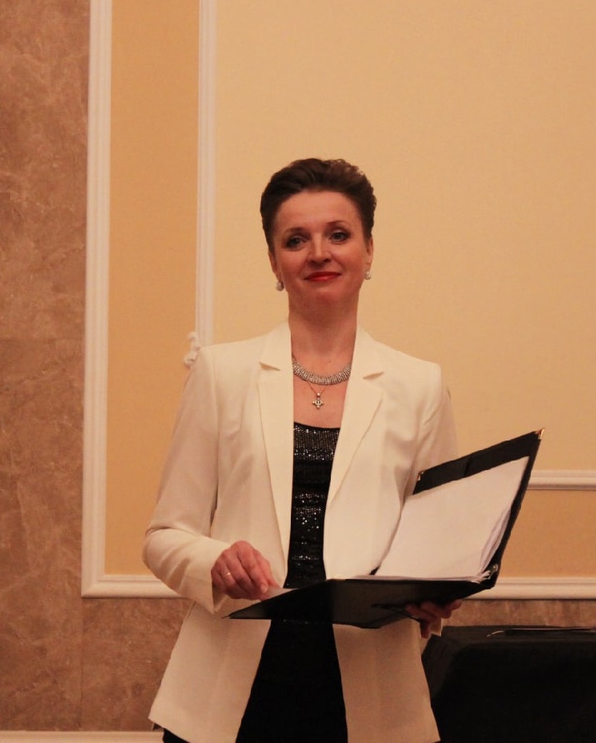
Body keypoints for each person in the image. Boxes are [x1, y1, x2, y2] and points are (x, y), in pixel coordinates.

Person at [143, 158, 461, 743]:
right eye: (296, 240)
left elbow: (440, 548)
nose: (319, 253)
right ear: (274, 262)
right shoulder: (220, 373)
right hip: (230, 689)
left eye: (338, 234)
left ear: (369, 250)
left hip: (370, 689)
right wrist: (214, 561)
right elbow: (164, 536)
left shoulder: (420, 385)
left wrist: (436, 595)